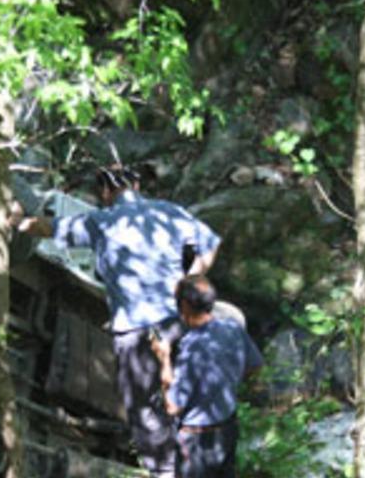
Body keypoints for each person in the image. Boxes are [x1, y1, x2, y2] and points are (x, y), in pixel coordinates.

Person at [16, 165, 221, 477]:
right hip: (180, 321)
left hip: (137, 329)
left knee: (146, 414)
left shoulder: (102, 221)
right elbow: (211, 244)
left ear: (105, 193)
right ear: (136, 186)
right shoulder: (170, 212)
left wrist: (15, 220)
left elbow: (48, 228)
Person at [151, 275, 263, 478]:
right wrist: (226, 383)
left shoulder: (192, 347)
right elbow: (255, 365)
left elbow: (172, 407)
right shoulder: (233, 329)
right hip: (227, 428)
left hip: (196, 440)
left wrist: (164, 359)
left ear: (184, 305)